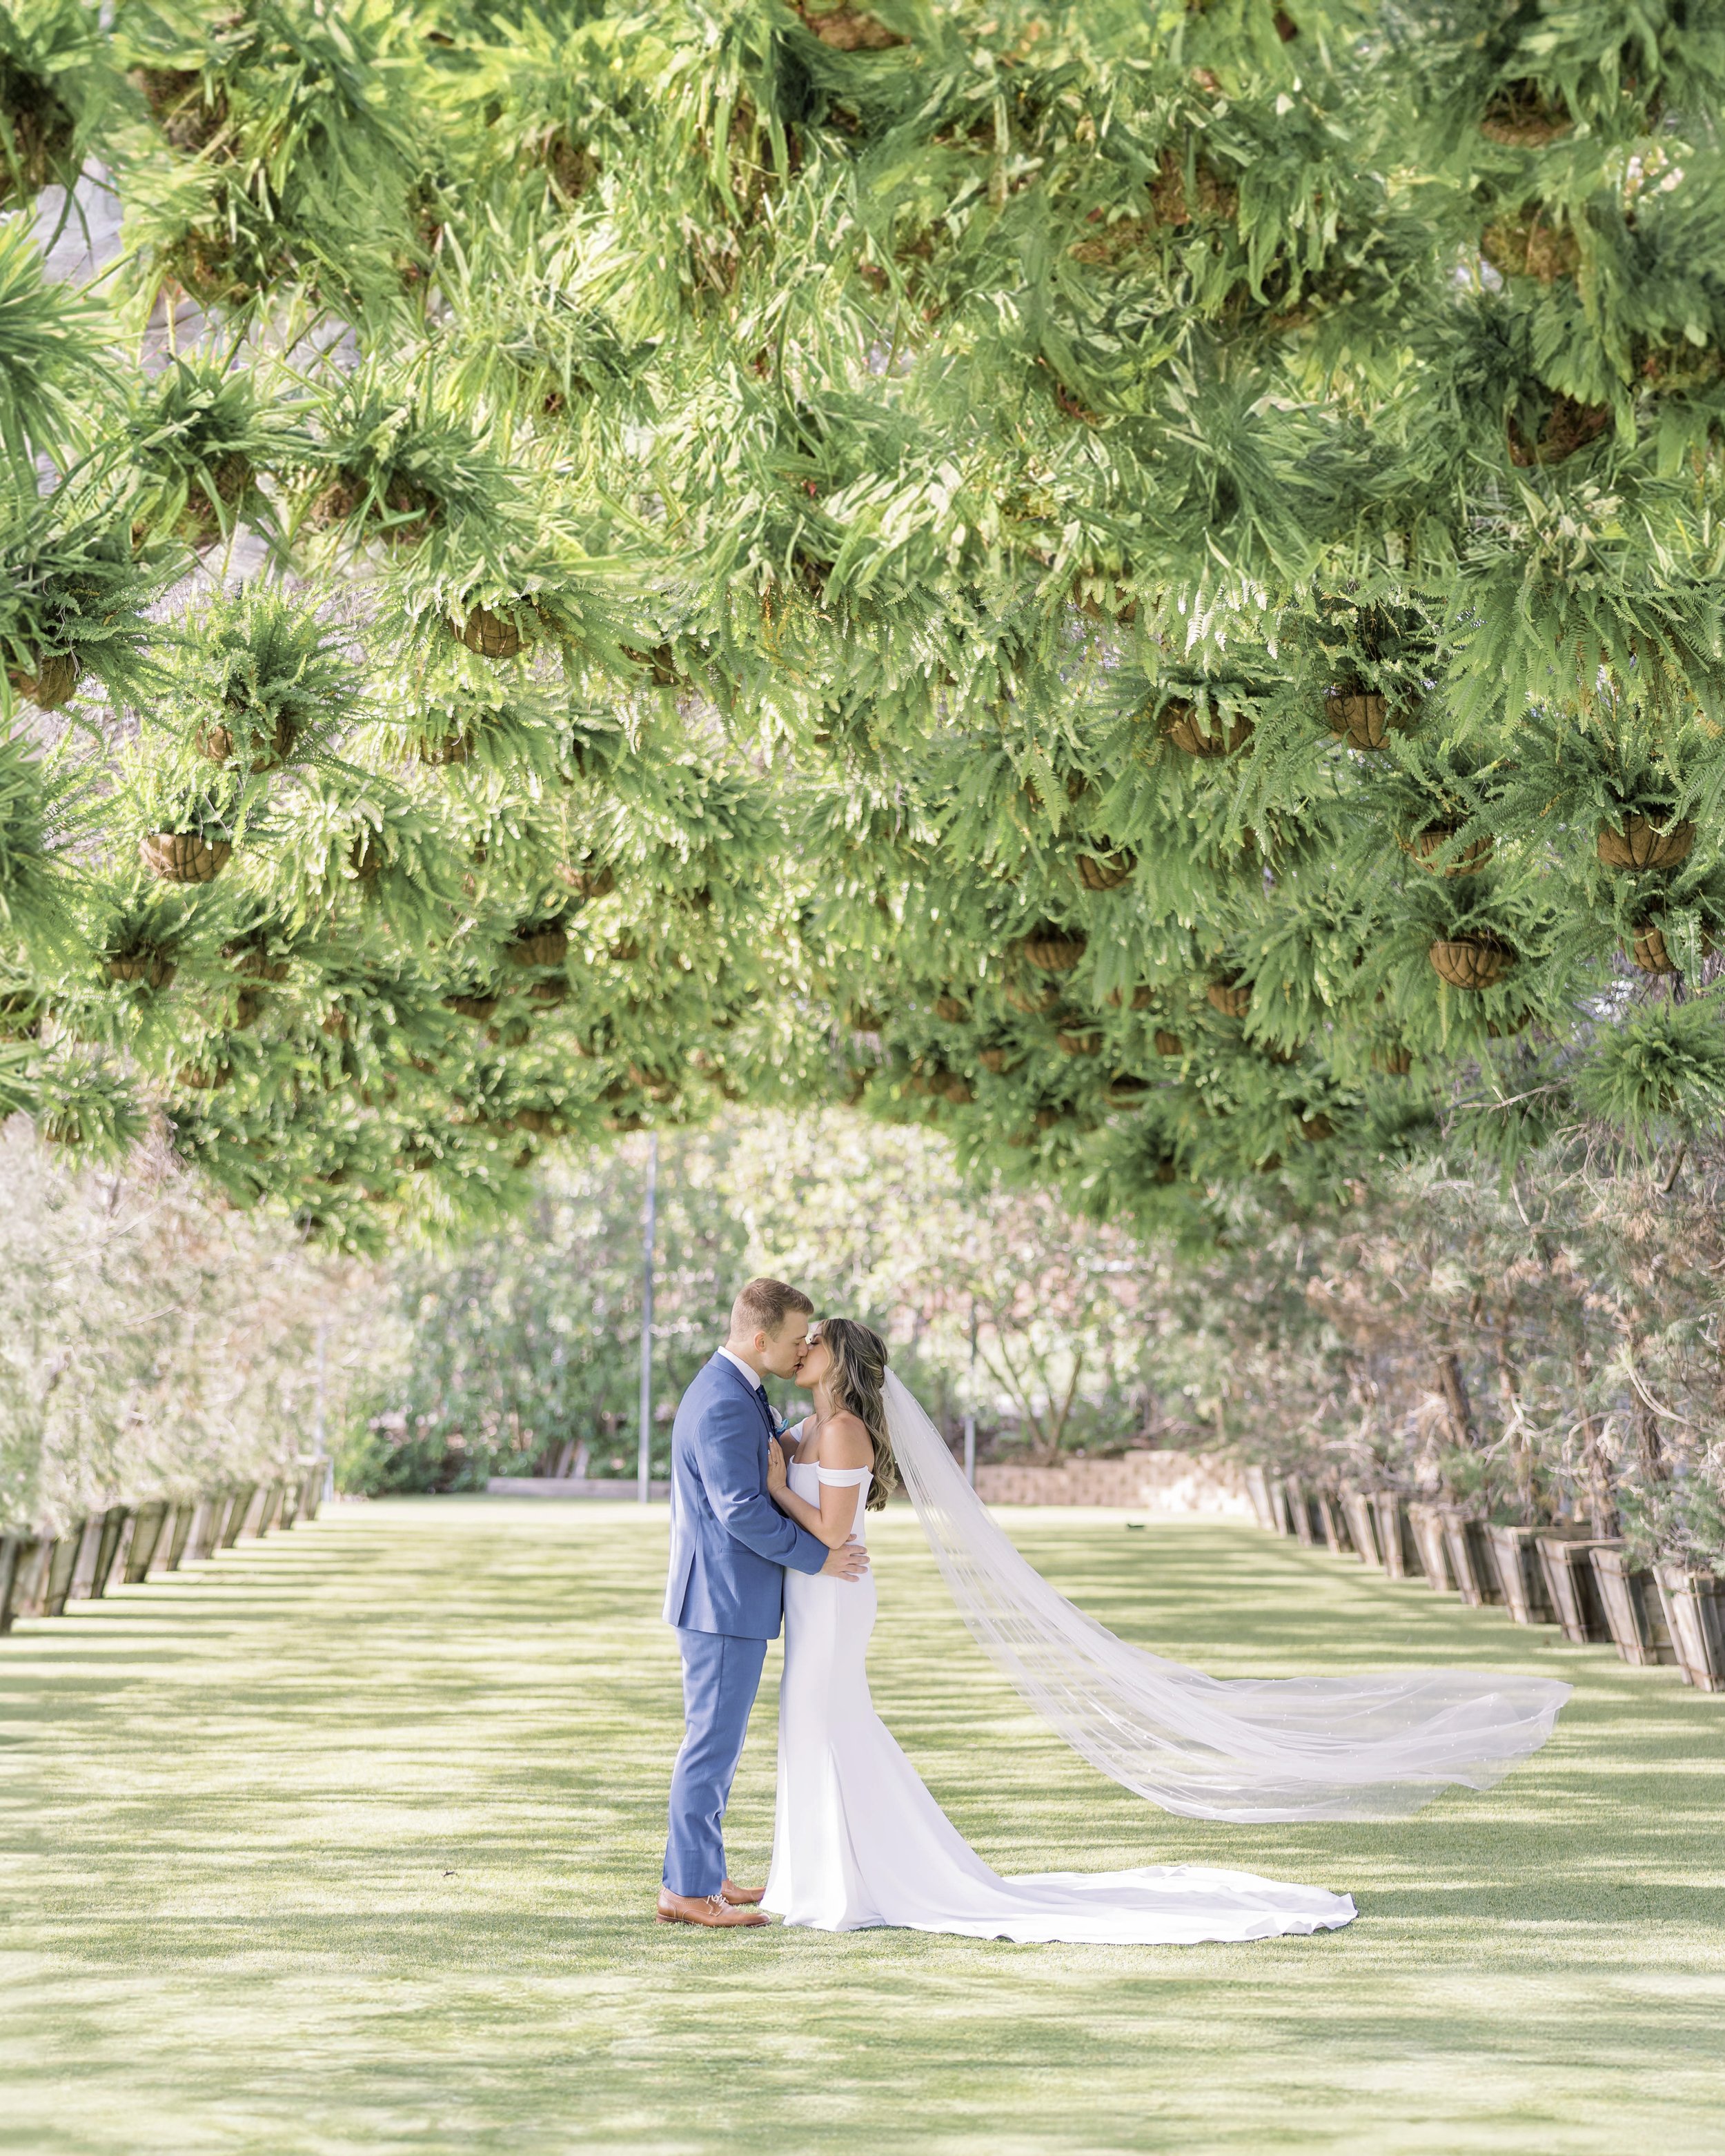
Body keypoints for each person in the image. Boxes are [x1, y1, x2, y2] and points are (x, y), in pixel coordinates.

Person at [761, 1317, 1360, 1942]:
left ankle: (863, 1877)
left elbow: (831, 1532)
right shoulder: (807, 1429)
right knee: (810, 1724)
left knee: (832, 1722)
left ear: (842, 1360)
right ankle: (817, 1874)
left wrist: (778, 1487)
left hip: (834, 1598)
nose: (804, 1348)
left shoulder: (845, 1432)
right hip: (811, 1598)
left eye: (817, 1341)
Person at [656, 1278, 869, 1928]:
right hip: (722, 1602)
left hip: (727, 1598)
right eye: (796, 1337)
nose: (804, 1345)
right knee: (711, 1744)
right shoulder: (724, 1400)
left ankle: (705, 1871)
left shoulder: (739, 1388)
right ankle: (688, 1891)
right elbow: (741, 1508)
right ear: (760, 1339)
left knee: (718, 1740)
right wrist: (821, 1557)